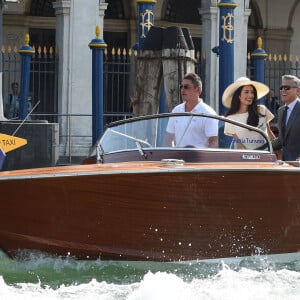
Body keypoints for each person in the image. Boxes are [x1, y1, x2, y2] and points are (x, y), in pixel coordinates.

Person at [165, 72, 218, 148]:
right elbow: (169, 139)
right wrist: (172, 156)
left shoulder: (209, 113)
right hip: (178, 159)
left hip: (198, 158)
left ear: (198, 89)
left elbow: (213, 142)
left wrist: (204, 159)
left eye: (186, 87)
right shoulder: (176, 111)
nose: (182, 90)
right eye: (181, 87)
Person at [222, 77, 274, 150]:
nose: (250, 95)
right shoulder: (230, 118)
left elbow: (269, 133)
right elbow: (239, 144)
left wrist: (279, 151)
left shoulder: (262, 110)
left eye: (252, 92)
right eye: (246, 92)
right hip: (246, 157)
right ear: (238, 95)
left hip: (266, 154)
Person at [272, 74, 300, 161]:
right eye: (281, 87)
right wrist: (258, 149)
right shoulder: (281, 111)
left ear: (298, 91)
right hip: (285, 165)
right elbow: (281, 140)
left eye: (287, 88)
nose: (283, 90)